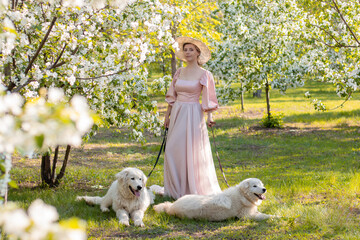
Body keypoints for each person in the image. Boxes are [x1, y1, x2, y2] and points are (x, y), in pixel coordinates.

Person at [163, 36, 222, 200]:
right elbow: (171, 96)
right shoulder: (179, 72)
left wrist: (210, 116)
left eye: (191, 50)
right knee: (172, 150)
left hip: (194, 114)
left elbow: (208, 97)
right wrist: (167, 116)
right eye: (185, 49)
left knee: (192, 150)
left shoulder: (205, 74)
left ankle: (192, 188)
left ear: (198, 53)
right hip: (177, 112)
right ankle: (175, 189)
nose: (187, 52)